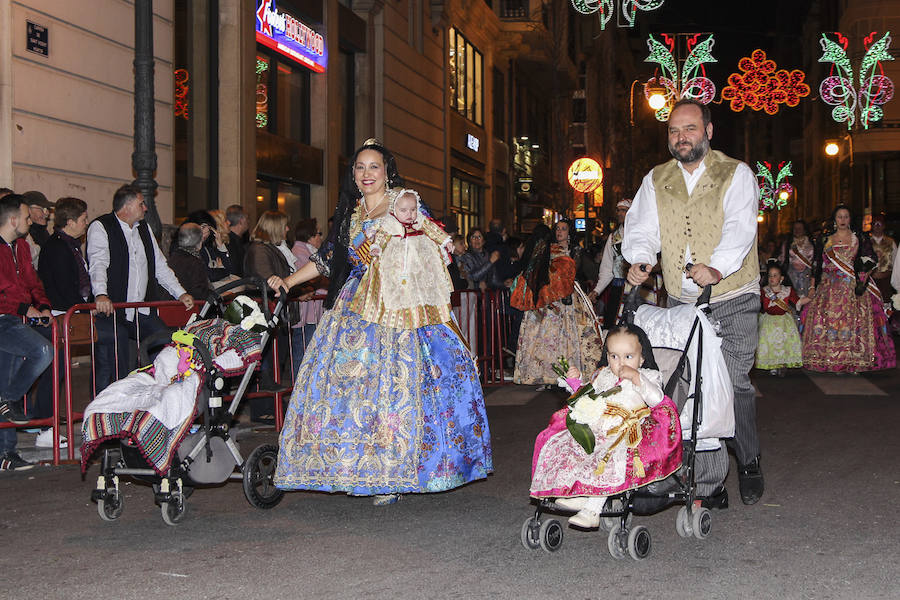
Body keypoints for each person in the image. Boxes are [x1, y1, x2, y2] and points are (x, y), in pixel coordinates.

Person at [266, 138, 492, 505]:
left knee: (404, 385)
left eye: (374, 167)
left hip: (406, 307)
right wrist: (288, 282)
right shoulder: (351, 214)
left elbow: (434, 240)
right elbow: (327, 260)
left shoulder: (406, 203)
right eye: (360, 167)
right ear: (353, 176)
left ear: (387, 173)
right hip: (356, 306)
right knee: (346, 386)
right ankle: (356, 466)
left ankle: (399, 470)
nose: (366, 173)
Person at [623, 98, 764, 505]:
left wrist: (716, 267)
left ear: (708, 131)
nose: (681, 137)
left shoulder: (735, 173)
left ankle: (749, 459)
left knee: (732, 381)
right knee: (691, 384)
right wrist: (641, 260)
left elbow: (740, 227)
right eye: (673, 131)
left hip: (733, 293)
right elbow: (642, 228)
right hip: (683, 302)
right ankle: (708, 479)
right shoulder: (656, 178)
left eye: (689, 129)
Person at [529, 324, 680, 528]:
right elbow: (587, 396)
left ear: (641, 358)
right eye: (614, 356)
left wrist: (638, 379)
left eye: (628, 357)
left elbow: (657, 399)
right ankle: (580, 492)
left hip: (625, 431)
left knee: (607, 457)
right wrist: (574, 383)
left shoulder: (647, 376)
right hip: (598, 425)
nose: (620, 363)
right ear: (607, 356)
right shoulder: (603, 376)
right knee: (570, 446)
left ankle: (592, 510)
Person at [86, 184, 194, 392]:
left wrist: (180, 292)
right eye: (141, 203)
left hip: (141, 310)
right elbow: (98, 263)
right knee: (112, 361)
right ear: (126, 206)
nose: (146, 208)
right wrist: (101, 294)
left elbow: (160, 266)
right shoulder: (101, 226)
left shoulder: (144, 229)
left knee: (166, 345)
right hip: (113, 309)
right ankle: (103, 409)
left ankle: (160, 395)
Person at [802, 205, 896, 373]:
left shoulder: (859, 238)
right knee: (829, 323)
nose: (843, 220)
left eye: (846, 216)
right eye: (840, 217)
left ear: (850, 219)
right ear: (835, 219)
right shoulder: (825, 240)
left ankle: (854, 360)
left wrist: (863, 274)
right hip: (828, 288)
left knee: (853, 324)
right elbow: (816, 264)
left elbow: (871, 259)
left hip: (852, 288)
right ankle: (830, 359)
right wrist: (812, 286)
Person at [512, 222, 604, 387]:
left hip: (570, 299)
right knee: (547, 337)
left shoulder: (577, 251)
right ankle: (545, 374)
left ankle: (572, 372)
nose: (560, 232)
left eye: (563, 229)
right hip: (548, 299)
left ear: (569, 233)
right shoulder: (546, 249)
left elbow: (590, 272)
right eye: (557, 229)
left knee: (569, 336)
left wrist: (592, 288)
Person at [0, 194, 54, 470]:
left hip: (14, 319)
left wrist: (42, 305)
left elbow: (33, 282)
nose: (30, 220)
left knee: (5, 386)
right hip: (4, 319)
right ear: (12, 220)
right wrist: (25, 307)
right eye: (25, 217)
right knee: (43, 351)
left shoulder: (21, 247)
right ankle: (7, 400)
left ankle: (5, 454)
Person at [350, 188, 453, 329]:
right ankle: (395, 317)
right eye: (404, 210)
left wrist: (446, 241)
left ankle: (421, 313)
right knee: (391, 288)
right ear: (394, 209)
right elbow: (381, 236)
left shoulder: (420, 221)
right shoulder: (389, 223)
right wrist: (376, 247)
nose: (409, 214)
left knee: (422, 287)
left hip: (417, 263)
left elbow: (434, 230)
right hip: (396, 262)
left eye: (413, 209)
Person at [34, 197, 91, 447]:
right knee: (54, 369)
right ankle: (45, 423)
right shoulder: (57, 247)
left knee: (58, 368)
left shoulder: (69, 245)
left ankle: (48, 421)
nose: (86, 223)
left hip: (69, 312)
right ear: (70, 222)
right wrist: (82, 310)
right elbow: (62, 286)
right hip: (61, 315)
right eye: (83, 219)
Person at [756, 261, 808, 376]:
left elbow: (798, 302)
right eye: (770, 275)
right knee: (770, 342)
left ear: (781, 278)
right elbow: (757, 304)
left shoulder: (787, 291)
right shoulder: (764, 291)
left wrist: (812, 298)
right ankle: (772, 365)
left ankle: (782, 363)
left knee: (784, 342)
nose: (772, 278)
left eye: (775, 275)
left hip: (784, 321)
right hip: (768, 320)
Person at [590, 198, 632, 327]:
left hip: (637, 289)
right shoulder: (614, 237)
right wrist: (596, 290)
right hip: (618, 288)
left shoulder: (642, 234)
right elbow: (607, 268)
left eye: (624, 210)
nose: (619, 213)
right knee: (614, 325)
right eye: (618, 210)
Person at [182, 210, 235, 285]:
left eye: (208, 228)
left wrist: (221, 246)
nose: (206, 232)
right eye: (203, 227)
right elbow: (209, 275)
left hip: (213, 283)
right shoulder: (190, 248)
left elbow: (229, 268)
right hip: (205, 286)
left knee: (238, 283)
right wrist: (222, 269)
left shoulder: (208, 246)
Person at [168, 223, 213, 300]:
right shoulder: (195, 262)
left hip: (172, 304)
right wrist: (217, 296)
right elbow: (199, 293)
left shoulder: (174, 257)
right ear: (199, 241)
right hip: (189, 307)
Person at [779, 219, 814, 298]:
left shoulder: (811, 243)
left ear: (804, 230)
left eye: (800, 228)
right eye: (795, 228)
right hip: (791, 274)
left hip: (807, 274)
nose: (797, 230)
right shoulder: (788, 243)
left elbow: (815, 260)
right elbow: (783, 258)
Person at [23, 190, 54, 269]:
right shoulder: (23, 234)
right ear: (28, 210)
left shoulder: (43, 231)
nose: (46, 213)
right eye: (43, 209)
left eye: (47, 209)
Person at [869, 213, 896, 301]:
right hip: (870, 281)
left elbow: (896, 262)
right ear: (871, 226)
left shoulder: (891, 242)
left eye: (879, 224)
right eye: (874, 224)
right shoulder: (865, 241)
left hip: (886, 281)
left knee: (886, 306)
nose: (877, 227)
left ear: (884, 226)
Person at [225, 204, 249, 276]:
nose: (249, 221)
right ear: (241, 221)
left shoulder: (236, 240)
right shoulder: (230, 243)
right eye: (247, 218)